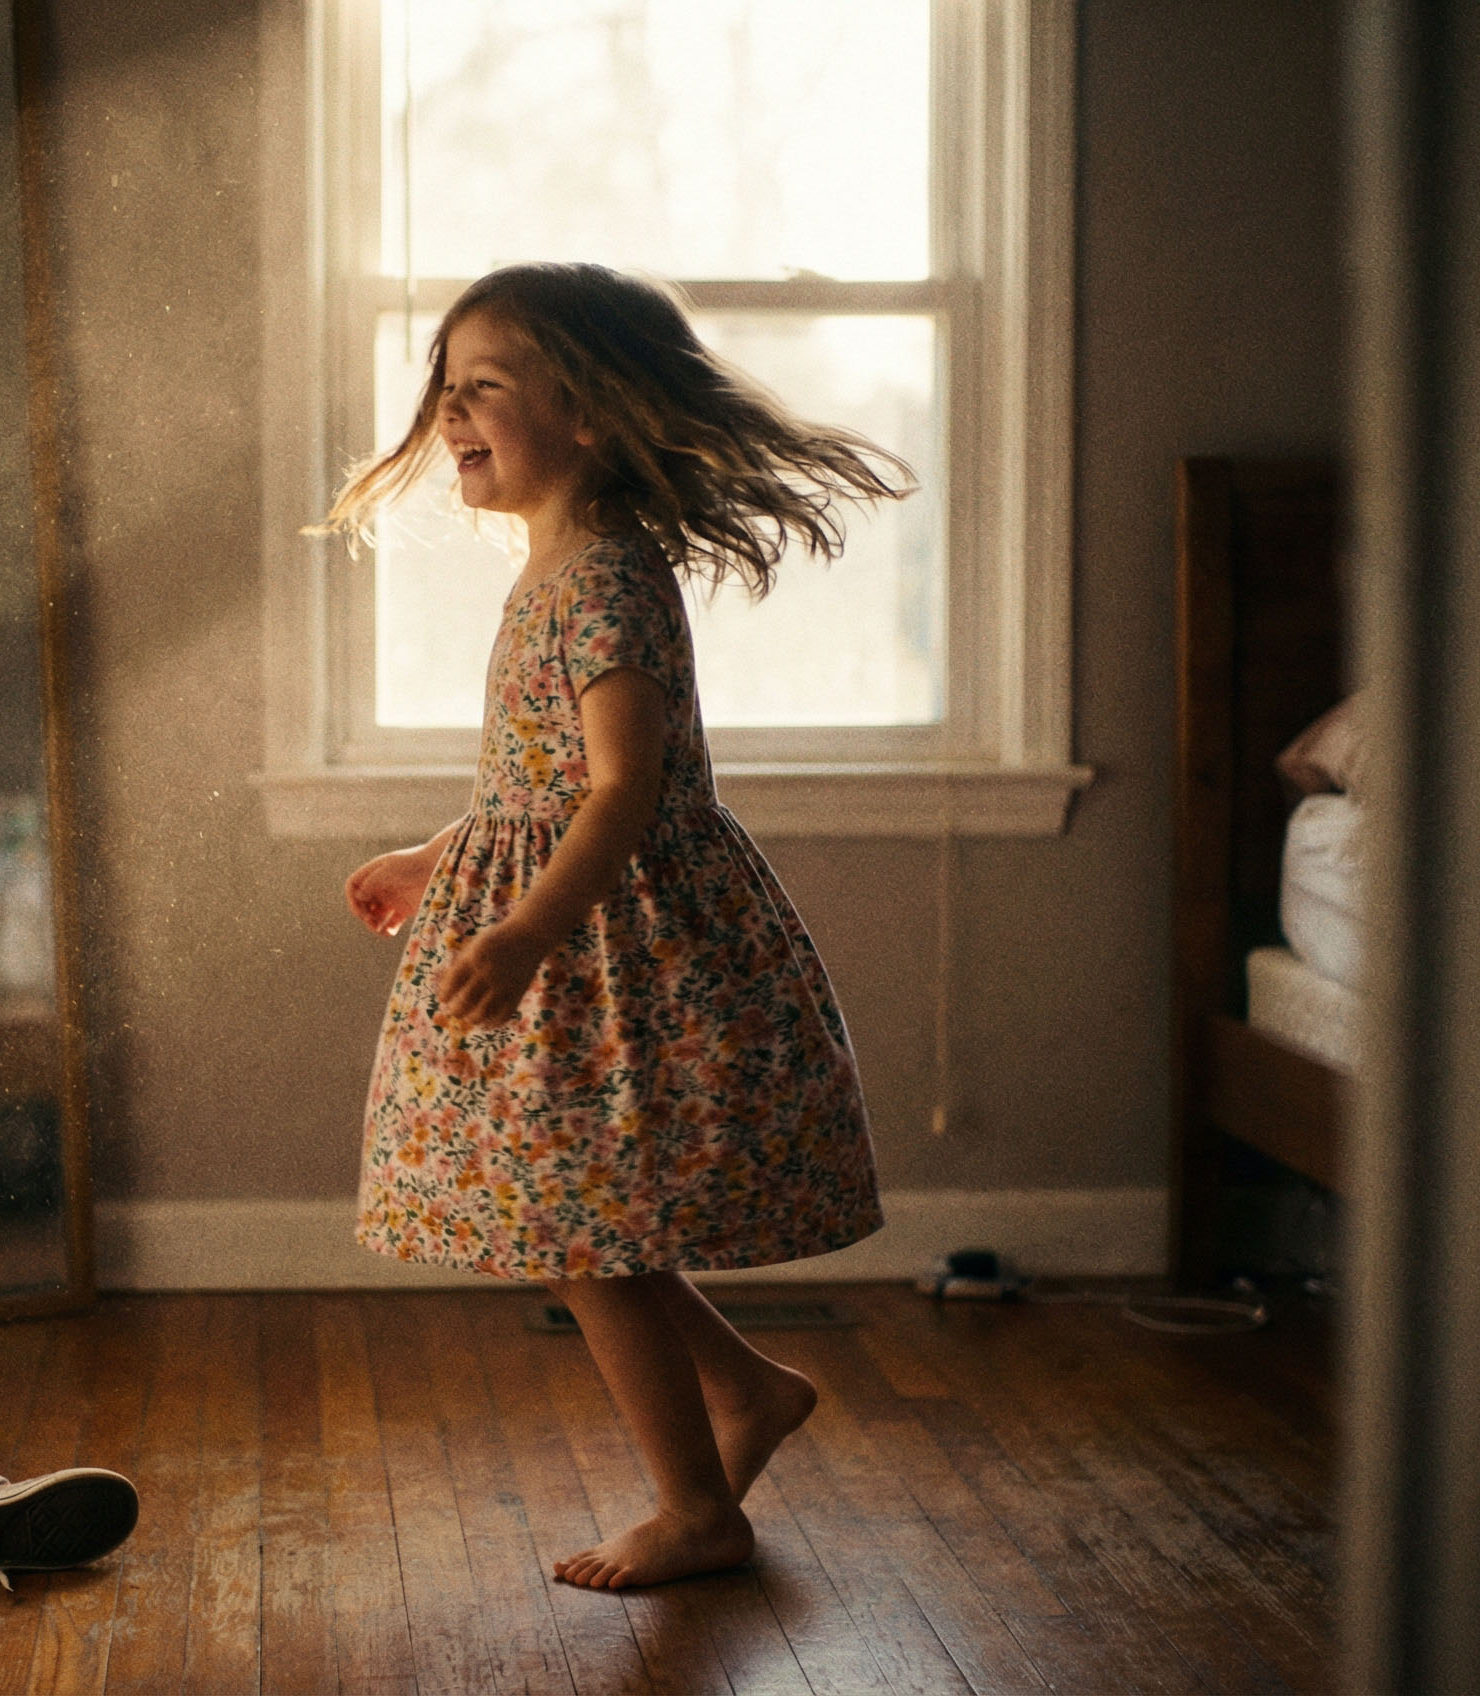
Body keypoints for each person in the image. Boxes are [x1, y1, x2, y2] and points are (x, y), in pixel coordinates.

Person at [330, 262, 905, 1590]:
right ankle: (749, 1393)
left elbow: (625, 791)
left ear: (584, 412)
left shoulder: (604, 582)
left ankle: (701, 1510)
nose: (453, 413)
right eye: (446, 387)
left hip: (614, 953)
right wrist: (441, 858)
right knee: (580, 1227)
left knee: (575, 1233)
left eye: (485, 388)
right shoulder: (559, 568)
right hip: (578, 931)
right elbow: (542, 782)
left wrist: (527, 929)